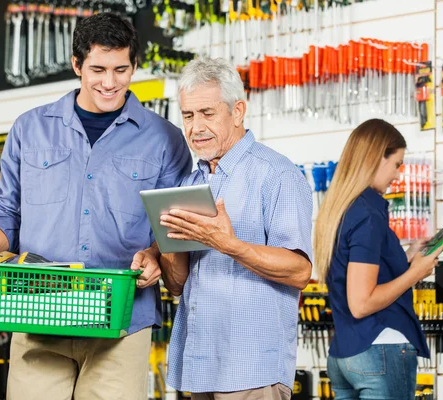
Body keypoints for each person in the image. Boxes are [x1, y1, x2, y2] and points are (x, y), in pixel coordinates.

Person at [0, 13, 192, 400]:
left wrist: (154, 254)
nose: (110, 82)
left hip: (121, 324)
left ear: (134, 65)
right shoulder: (29, 129)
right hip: (37, 316)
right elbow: (8, 212)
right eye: (98, 69)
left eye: (121, 69)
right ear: (76, 64)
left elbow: (171, 228)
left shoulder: (165, 140)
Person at [133, 58, 313, 400]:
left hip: (252, 370)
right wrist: (161, 249)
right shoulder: (189, 183)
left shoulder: (277, 175)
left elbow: (300, 271)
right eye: (188, 116)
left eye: (207, 113)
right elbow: (178, 284)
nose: (196, 127)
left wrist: (229, 244)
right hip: (200, 366)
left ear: (238, 111)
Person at [313, 119, 442, 399]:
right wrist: (415, 274)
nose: (397, 175)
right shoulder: (368, 214)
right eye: (396, 164)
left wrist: (406, 258)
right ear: (375, 157)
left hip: (344, 355)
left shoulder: (340, 209)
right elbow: (361, 303)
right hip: (380, 349)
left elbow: (356, 274)